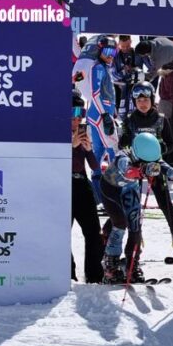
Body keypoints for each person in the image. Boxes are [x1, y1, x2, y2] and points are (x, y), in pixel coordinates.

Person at [100, 133, 173, 284]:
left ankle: (132, 264)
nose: (150, 163)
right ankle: (110, 265)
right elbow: (128, 171)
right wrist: (142, 171)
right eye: (145, 162)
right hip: (111, 189)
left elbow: (163, 167)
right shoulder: (123, 156)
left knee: (135, 225)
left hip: (130, 188)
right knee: (120, 224)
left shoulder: (149, 155)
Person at [121, 81, 173, 261]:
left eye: (146, 100)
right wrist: (128, 147)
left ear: (152, 99)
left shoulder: (161, 119)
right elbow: (123, 143)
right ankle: (132, 242)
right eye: (139, 100)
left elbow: (171, 144)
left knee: (165, 202)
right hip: (135, 166)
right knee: (130, 206)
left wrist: (160, 148)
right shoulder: (129, 120)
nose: (142, 103)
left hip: (155, 164)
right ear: (134, 102)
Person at [71, 89, 104, 284]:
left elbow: (94, 166)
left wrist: (89, 149)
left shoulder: (82, 131)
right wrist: (71, 145)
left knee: (93, 232)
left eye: (80, 115)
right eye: (73, 115)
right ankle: (68, 274)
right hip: (64, 185)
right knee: (61, 233)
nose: (76, 120)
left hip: (82, 183)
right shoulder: (55, 134)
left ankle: (94, 275)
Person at [83, 36, 120, 202]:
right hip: (100, 114)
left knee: (98, 152)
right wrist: (105, 115)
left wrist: (111, 112)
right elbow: (95, 93)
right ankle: (113, 193)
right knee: (113, 150)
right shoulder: (98, 67)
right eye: (107, 51)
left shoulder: (104, 67)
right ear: (99, 50)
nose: (111, 55)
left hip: (101, 113)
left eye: (114, 52)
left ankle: (99, 196)